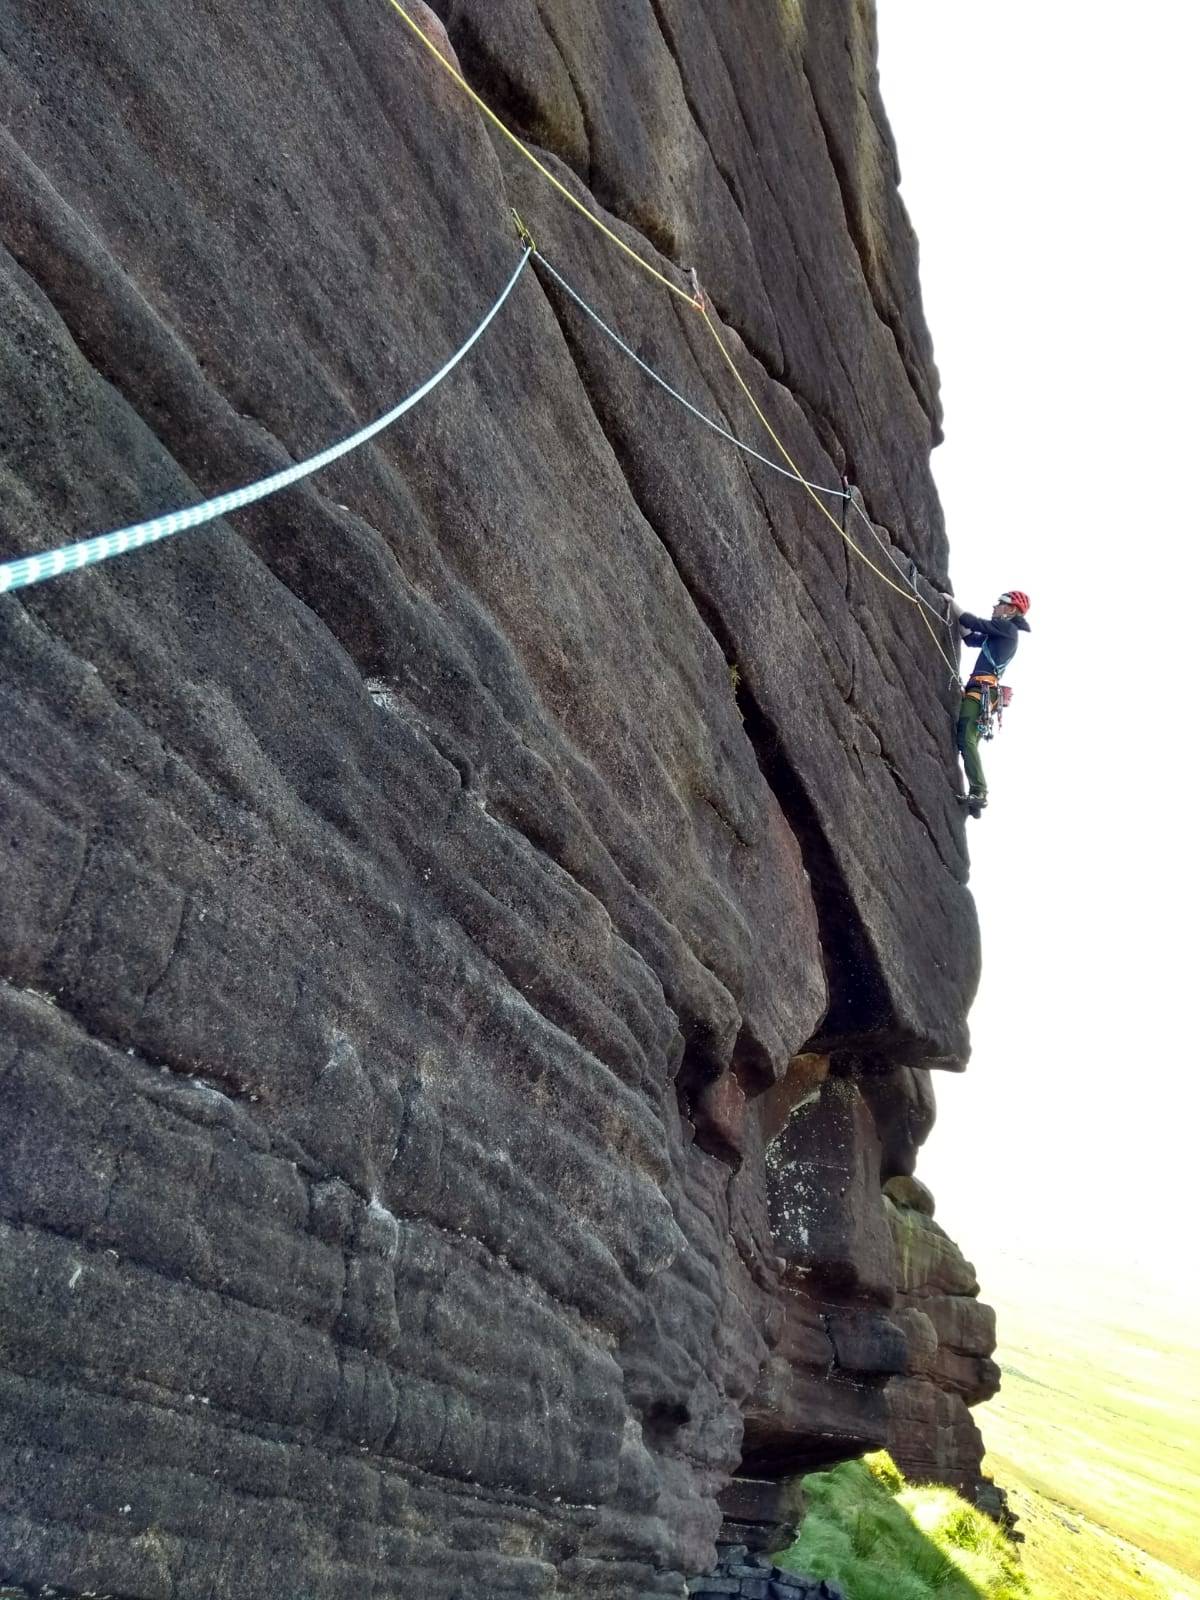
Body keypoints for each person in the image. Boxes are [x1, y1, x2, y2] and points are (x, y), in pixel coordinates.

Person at [940, 589, 1031, 816]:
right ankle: (976, 797)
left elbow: (974, 622)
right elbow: (972, 639)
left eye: (1000, 604)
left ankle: (979, 792)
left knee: (966, 735)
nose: (994, 607)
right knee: (968, 739)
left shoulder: (1007, 629)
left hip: (982, 691)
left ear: (1011, 609)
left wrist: (953, 605)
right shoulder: (1001, 634)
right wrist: (955, 622)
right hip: (982, 690)